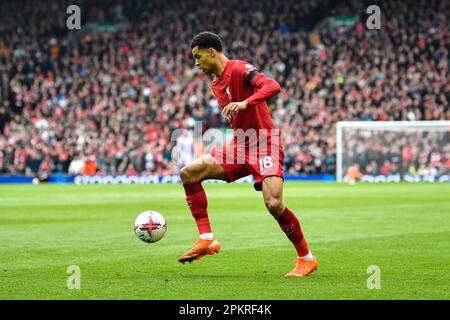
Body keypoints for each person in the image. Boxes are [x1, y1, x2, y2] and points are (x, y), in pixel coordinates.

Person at [178, 31, 318, 277]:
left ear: (212, 52)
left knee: (274, 204)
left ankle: (306, 258)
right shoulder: (215, 85)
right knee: (189, 173)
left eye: (198, 57)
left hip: (265, 143)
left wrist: (245, 103)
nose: (196, 63)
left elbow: (272, 86)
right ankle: (206, 238)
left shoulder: (240, 68)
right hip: (240, 145)